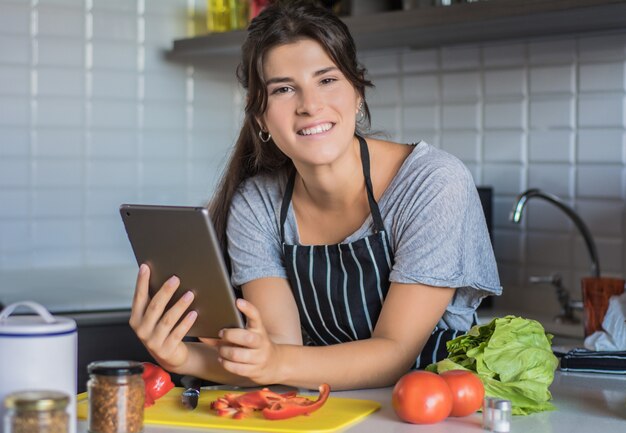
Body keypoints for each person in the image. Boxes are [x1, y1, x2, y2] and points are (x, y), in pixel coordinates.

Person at [129, 0, 501, 391]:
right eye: (285, 89)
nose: (309, 105)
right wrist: (182, 356)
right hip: (321, 409)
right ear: (260, 118)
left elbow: (394, 353)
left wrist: (274, 361)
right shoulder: (258, 204)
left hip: (426, 411)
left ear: (357, 92)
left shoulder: (432, 183)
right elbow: (277, 354)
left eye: (326, 80)